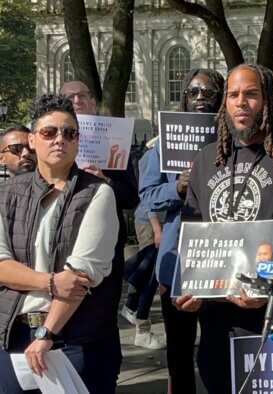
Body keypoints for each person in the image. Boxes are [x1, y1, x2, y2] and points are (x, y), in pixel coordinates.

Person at [175, 63, 273, 393]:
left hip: (272, 322)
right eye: (233, 95)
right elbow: (192, 231)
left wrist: (272, 286)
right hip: (216, 322)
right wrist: (187, 285)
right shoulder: (207, 159)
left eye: (250, 94)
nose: (240, 102)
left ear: (268, 100)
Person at [0, 93, 120, 392]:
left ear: (78, 141)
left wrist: (46, 333)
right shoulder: (7, 193)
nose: (60, 140)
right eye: (49, 132)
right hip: (12, 335)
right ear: (32, 139)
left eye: (69, 133)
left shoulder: (98, 193)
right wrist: (51, 281)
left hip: (75, 339)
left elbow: (81, 274)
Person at [139, 68, 224, 393]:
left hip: (223, 261)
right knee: (180, 354)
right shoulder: (163, 146)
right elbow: (147, 198)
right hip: (178, 267)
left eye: (209, 92)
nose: (201, 98)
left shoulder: (234, 140)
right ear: (183, 98)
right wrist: (177, 186)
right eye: (194, 92)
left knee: (220, 351)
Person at [59, 79, 140, 352]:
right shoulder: (53, 145)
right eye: (70, 97)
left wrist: (104, 180)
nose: (77, 101)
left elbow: (131, 197)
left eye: (83, 95)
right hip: (62, 246)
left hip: (105, 249)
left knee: (103, 317)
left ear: (93, 102)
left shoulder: (113, 142)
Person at [120, 138, 167, 350]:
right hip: (152, 222)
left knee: (150, 271)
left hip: (164, 221)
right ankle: (141, 326)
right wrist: (157, 228)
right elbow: (147, 192)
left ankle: (132, 309)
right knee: (151, 275)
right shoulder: (154, 153)